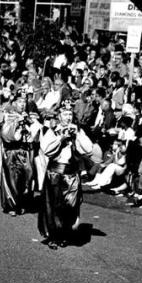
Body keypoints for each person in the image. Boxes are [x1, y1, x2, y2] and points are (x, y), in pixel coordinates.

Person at [38, 99, 94, 246]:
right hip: (56, 172)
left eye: (70, 114)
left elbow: (88, 149)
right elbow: (46, 149)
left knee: (70, 206)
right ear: (59, 116)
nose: (68, 117)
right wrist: (61, 138)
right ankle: (54, 236)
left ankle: (65, 233)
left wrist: (77, 135)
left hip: (72, 173)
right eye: (64, 114)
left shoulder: (77, 129)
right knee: (54, 205)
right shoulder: (53, 130)